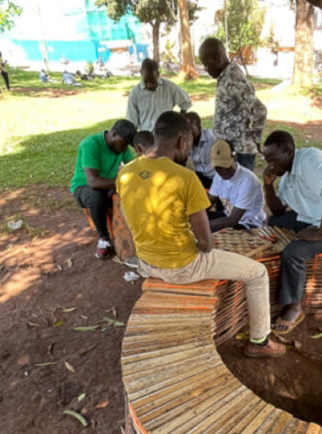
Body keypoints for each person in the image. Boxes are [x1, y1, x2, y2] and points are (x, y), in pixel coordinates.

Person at [117, 111, 284, 358]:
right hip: (183, 266)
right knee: (257, 274)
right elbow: (205, 245)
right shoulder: (185, 178)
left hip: (147, 263)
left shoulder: (126, 173)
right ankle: (260, 342)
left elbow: (132, 219)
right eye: (190, 144)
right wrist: (194, 241)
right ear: (182, 141)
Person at [262, 130, 322, 334]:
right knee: (273, 221)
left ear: (289, 151)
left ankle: (294, 307)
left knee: (294, 252)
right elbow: (279, 210)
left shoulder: (309, 159)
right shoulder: (287, 177)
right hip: (311, 218)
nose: (270, 164)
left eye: (273, 159)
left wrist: (320, 232)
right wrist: (268, 186)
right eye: (266, 160)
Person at [70, 119, 137, 258]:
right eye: (124, 144)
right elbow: (93, 182)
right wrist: (123, 183)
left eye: (127, 146)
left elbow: (133, 168)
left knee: (128, 193)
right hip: (84, 186)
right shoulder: (91, 144)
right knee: (96, 198)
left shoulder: (120, 147)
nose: (125, 149)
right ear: (114, 134)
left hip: (107, 185)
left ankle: (131, 232)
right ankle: (104, 239)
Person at [198, 37, 266, 171]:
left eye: (206, 64)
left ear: (217, 58)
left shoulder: (232, 80)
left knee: (240, 189)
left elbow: (259, 109)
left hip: (239, 152)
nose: (206, 69)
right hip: (229, 150)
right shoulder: (225, 77)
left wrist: (256, 139)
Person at [207, 139, 266, 232]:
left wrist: (200, 226)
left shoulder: (248, 181)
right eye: (218, 168)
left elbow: (232, 221)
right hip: (228, 216)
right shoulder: (218, 176)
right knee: (198, 218)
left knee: (205, 228)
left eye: (226, 166)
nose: (223, 171)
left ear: (235, 159)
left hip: (248, 224)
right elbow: (209, 201)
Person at [126, 58, 192, 132]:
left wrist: (179, 122)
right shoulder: (135, 93)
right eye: (146, 81)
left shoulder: (170, 87)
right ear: (141, 73)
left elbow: (186, 102)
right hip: (147, 138)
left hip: (167, 136)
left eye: (153, 82)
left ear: (158, 74)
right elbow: (132, 122)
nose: (149, 85)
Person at [185, 111, 216, 188]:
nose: (188, 133)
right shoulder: (184, 141)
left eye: (191, 129)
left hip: (217, 177)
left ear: (199, 127)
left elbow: (210, 168)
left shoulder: (212, 139)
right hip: (199, 175)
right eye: (185, 129)